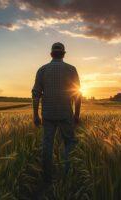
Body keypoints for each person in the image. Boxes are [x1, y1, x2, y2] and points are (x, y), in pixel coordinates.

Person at [32, 42, 82, 184]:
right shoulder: (71, 69)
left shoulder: (42, 70)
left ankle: (47, 177)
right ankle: (67, 175)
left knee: (47, 144)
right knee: (69, 143)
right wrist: (77, 114)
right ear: (64, 54)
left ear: (51, 54)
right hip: (65, 114)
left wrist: (36, 114)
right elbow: (77, 94)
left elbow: (36, 94)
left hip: (47, 114)